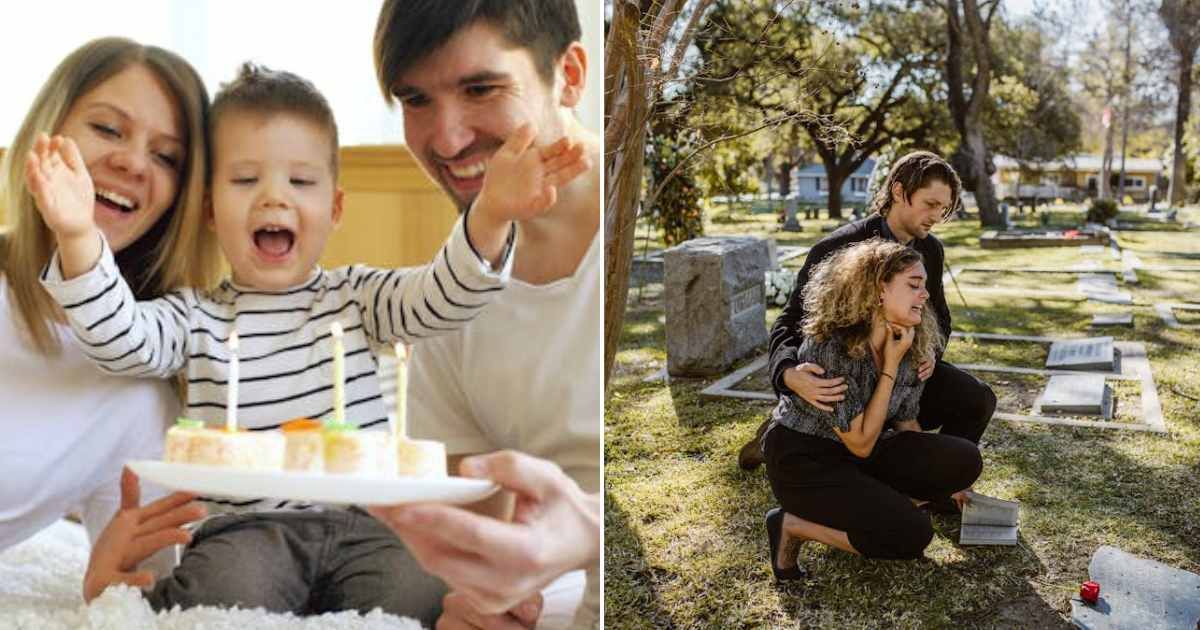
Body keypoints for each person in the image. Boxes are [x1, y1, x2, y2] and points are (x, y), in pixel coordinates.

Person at [31, 62, 587, 623]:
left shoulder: (360, 298)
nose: (274, 199)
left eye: (300, 182)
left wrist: (489, 214)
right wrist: (79, 235)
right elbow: (118, 337)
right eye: (246, 181)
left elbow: (444, 297)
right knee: (219, 594)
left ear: (335, 208)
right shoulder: (193, 318)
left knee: (422, 593)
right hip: (247, 530)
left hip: (371, 525)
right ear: (207, 209)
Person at [366, 1, 602, 628]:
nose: (446, 139)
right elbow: (472, 531)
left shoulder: (629, 239)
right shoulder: (449, 294)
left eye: (481, 88)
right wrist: (489, 604)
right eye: (415, 100)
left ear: (570, 75)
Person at [0, 37, 220, 569]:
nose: (131, 163)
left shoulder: (140, 392)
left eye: (166, 156)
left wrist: (111, 584)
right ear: (44, 133)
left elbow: (145, 582)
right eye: (107, 128)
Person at [738, 150, 997, 503]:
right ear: (898, 191)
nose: (937, 216)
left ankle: (936, 485)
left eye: (944, 208)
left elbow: (941, 318)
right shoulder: (839, 246)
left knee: (977, 398)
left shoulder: (931, 251)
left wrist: (931, 355)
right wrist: (787, 373)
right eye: (930, 204)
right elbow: (790, 320)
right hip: (846, 376)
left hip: (899, 368)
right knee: (841, 428)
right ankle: (778, 431)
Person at [763, 238, 983, 578]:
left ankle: (881, 504)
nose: (925, 295)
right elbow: (861, 442)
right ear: (879, 290)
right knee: (913, 535)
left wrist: (937, 478)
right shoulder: (830, 348)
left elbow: (907, 422)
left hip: (861, 457)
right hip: (805, 460)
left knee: (965, 459)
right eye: (914, 285)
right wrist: (890, 366)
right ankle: (791, 525)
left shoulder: (910, 340)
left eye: (924, 286)